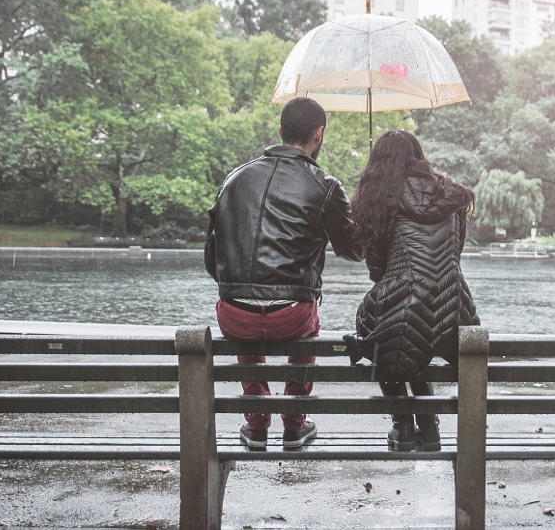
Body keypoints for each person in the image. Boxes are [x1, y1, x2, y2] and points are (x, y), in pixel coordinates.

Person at [205, 97, 362, 450]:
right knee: (309, 319)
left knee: (241, 307)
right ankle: (294, 424)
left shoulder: (233, 179)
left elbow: (211, 261)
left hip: (235, 318)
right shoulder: (325, 186)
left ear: (280, 132)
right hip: (291, 317)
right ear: (319, 134)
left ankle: (257, 424)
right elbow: (354, 251)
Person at [346, 130, 479, 452]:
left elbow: (377, 269)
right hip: (454, 307)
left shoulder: (381, 198)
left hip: (403, 304)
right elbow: (454, 255)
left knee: (383, 328)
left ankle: (402, 426)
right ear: (418, 156)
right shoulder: (449, 195)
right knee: (411, 328)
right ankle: (429, 428)